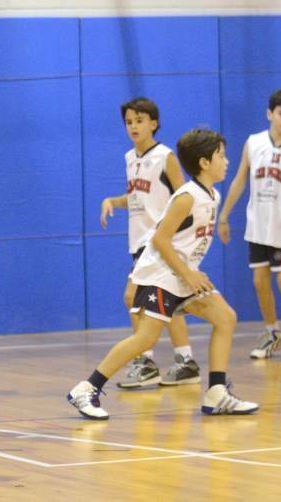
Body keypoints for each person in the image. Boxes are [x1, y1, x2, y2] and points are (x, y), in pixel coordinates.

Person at [67, 128, 259, 419]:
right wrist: (187, 273)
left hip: (182, 275)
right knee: (145, 339)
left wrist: (189, 272)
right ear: (205, 162)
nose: (227, 161)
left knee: (226, 317)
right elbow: (159, 239)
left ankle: (216, 393)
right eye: (221, 155)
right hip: (161, 275)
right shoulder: (186, 197)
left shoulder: (213, 195)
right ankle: (86, 388)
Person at [99, 97, 200, 388]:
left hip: (157, 240)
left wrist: (179, 234)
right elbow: (135, 198)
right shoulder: (130, 158)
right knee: (166, 304)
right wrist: (112, 201)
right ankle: (185, 361)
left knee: (132, 298)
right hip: (139, 240)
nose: (133, 126)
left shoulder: (165, 156)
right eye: (129, 122)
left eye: (139, 120)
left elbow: (185, 197)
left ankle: (145, 362)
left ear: (153, 124)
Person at [218, 89, 281, 361]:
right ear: (269, 113)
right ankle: (273, 333)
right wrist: (224, 215)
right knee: (259, 282)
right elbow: (240, 179)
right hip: (258, 224)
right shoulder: (253, 143)